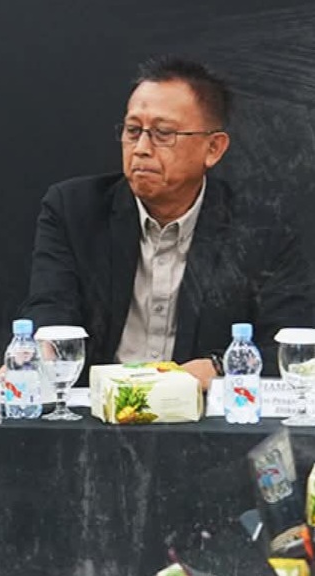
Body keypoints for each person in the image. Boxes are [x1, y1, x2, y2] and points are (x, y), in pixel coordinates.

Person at [21, 57, 312, 387]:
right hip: (96, 410)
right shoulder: (74, 210)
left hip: (203, 411)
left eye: (163, 134)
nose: (141, 149)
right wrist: (39, 355)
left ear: (213, 148)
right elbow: (50, 308)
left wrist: (219, 368)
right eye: (133, 131)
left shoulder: (262, 231)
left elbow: (291, 346)